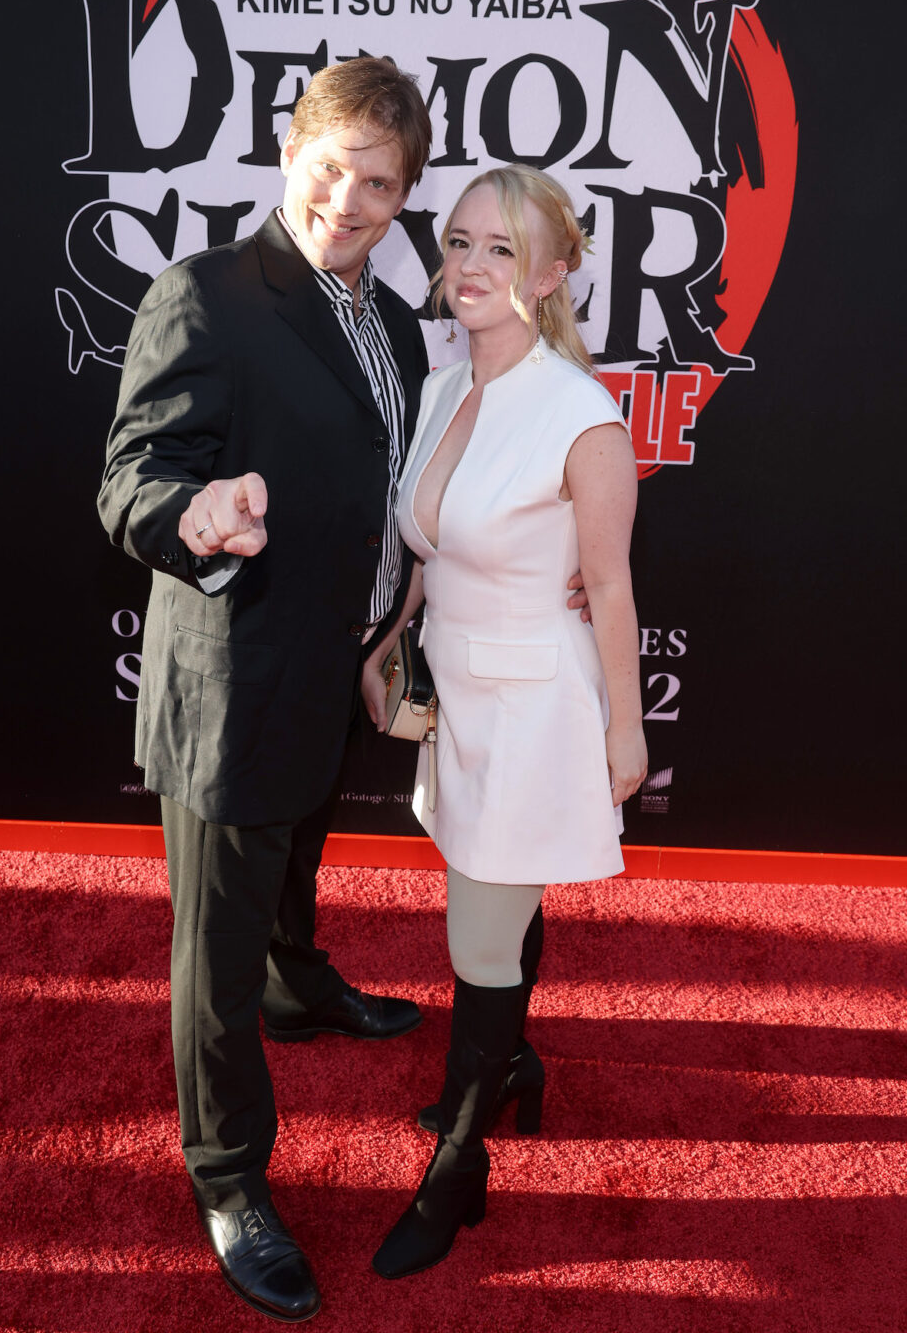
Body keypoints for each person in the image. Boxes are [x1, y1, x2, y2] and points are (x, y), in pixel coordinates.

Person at [97, 57, 435, 1324]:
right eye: (331, 164)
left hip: (332, 655)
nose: (347, 200)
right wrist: (196, 508)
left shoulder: (393, 320)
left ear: (405, 197)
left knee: (302, 847)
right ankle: (228, 1175)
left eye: (380, 184)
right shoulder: (208, 295)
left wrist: (393, 608)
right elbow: (128, 480)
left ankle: (305, 986)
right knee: (212, 949)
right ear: (289, 148)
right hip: (234, 674)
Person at [361, 163, 648, 1279]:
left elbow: (610, 588)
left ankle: (458, 1164)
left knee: (475, 938)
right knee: (493, 897)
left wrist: (625, 733)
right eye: (462, 242)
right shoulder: (441, 387)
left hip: (536, 705)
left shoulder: (582, 415)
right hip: (458, 695)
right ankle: (512, 1061)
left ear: (553, 273)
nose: (471, 269)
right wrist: (396, 641)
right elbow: (434, 546)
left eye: (502, 251)